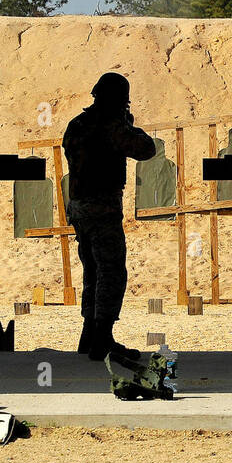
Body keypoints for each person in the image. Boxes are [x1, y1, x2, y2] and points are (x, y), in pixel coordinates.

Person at [62, 73, 156, 361]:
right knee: (112, 272)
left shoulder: (77, 125)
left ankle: (89, 334)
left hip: (78, 207)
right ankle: (102, 337)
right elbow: (147, 149)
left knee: (92, 271)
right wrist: (129, 125)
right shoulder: (110, 126)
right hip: (102, 208)